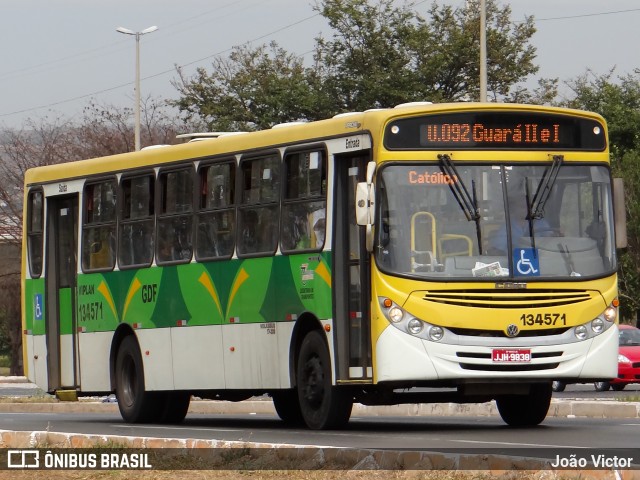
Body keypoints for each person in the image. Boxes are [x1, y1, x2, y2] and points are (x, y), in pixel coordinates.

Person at [488, 196, 557, 255]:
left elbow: (551, 242)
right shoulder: (507, 226)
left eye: (529, 206)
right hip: (516, 262)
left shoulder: (541, 223)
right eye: (522, 207)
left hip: (539, 261)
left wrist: (555, 237)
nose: (526, 209)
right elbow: (499, 248)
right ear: (514, 209)